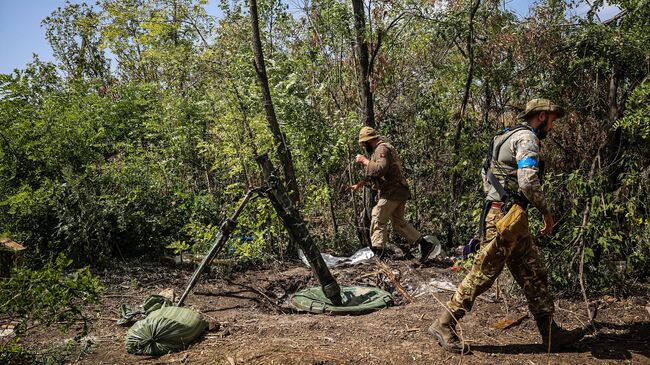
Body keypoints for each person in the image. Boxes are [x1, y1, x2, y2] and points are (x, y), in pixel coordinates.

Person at [428, 99, 586, 353]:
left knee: (533, 273)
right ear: (543, 116)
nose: (553, 127)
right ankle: (444, 323)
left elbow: (487, 175)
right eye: (553, 121)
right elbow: (527, 180)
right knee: (483, 274)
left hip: (508, 216)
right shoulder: (527, 139)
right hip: (506, 218)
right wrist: (546, 212)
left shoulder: (504, 136)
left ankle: (550, 333)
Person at [350, 126, 436, 262]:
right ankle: (425, 245)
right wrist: (360, 184)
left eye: (363, 143)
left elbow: (380, 169)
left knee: (377, 216)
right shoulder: (382, 148)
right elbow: (376, 174)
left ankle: (379, 254)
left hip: (393, 191)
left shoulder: (381, 149)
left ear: (367, 141)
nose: (363, 146)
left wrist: (364, 161)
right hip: (399, 191)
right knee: (398, 223)